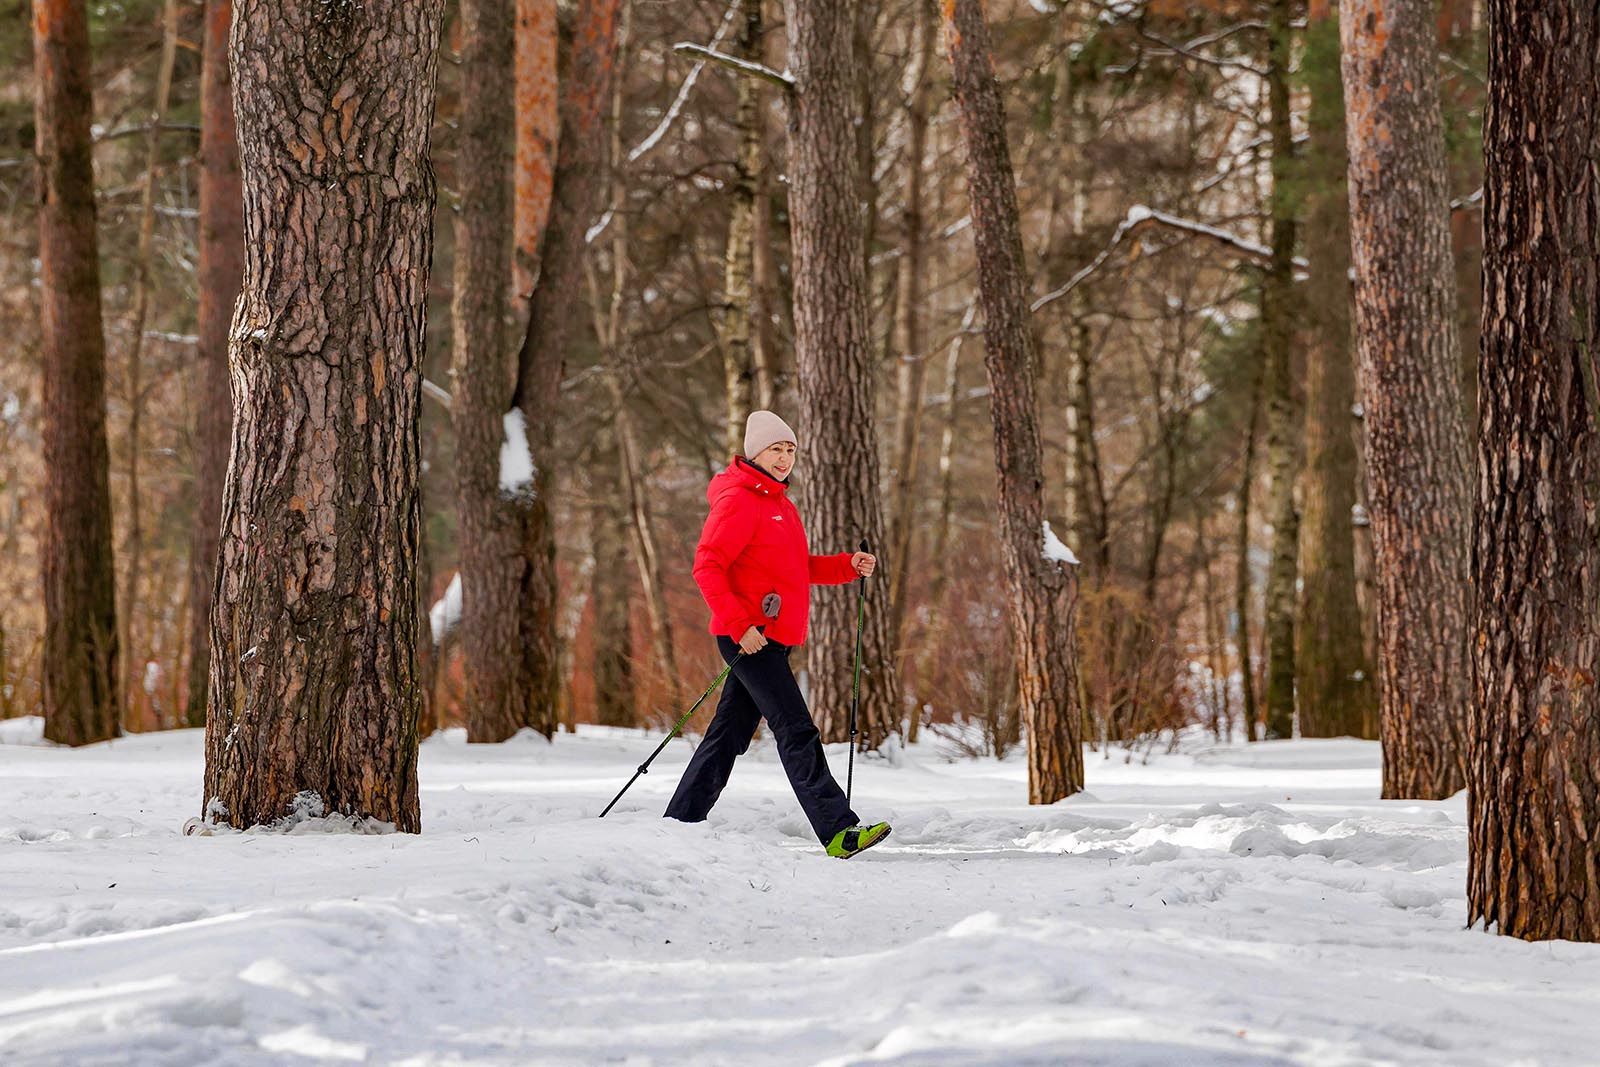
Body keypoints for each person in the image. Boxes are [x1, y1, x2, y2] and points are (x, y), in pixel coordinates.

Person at [665, 410, 892, 858]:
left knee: (728, 735)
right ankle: (838, 831)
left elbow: (797, 569)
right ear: (755, 452)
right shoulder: (739, 501)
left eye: (790, 450)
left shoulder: (781, 506)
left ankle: (680, 821)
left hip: (772, 638)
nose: (785, 458)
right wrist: (739, 625)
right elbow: (707, 566)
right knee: (796, 728)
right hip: (748, 638)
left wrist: (846, 565)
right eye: (776, 449)